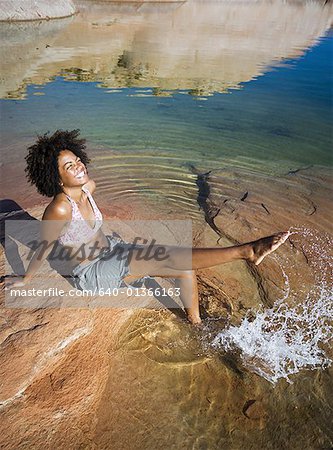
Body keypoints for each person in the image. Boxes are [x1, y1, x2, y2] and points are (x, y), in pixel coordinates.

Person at [6, 130, 290, 325]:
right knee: (168, 255)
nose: (79, 167)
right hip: (92, 272)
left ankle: (195, 323)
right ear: (55, 179)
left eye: (78, 160)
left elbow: (92, 188)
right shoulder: (59, 208)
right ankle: (245, 252)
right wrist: (26, 280)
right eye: (69, 166)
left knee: (185, 268)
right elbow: (43, 247)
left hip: (115, 251)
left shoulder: (87, 188)